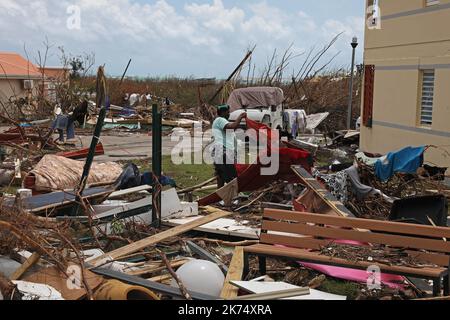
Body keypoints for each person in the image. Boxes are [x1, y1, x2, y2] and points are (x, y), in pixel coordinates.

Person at [212, 104, 247, 188]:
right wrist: (240, 117)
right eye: (228, 112)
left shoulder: (222, 122)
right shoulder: (220, 120)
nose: (229, 114)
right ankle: (231, 196)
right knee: (230, 175)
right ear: (223, 112)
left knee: (221, 175)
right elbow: (231, 127)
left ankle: (221, 197)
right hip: (222, 150)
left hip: (224, 151)